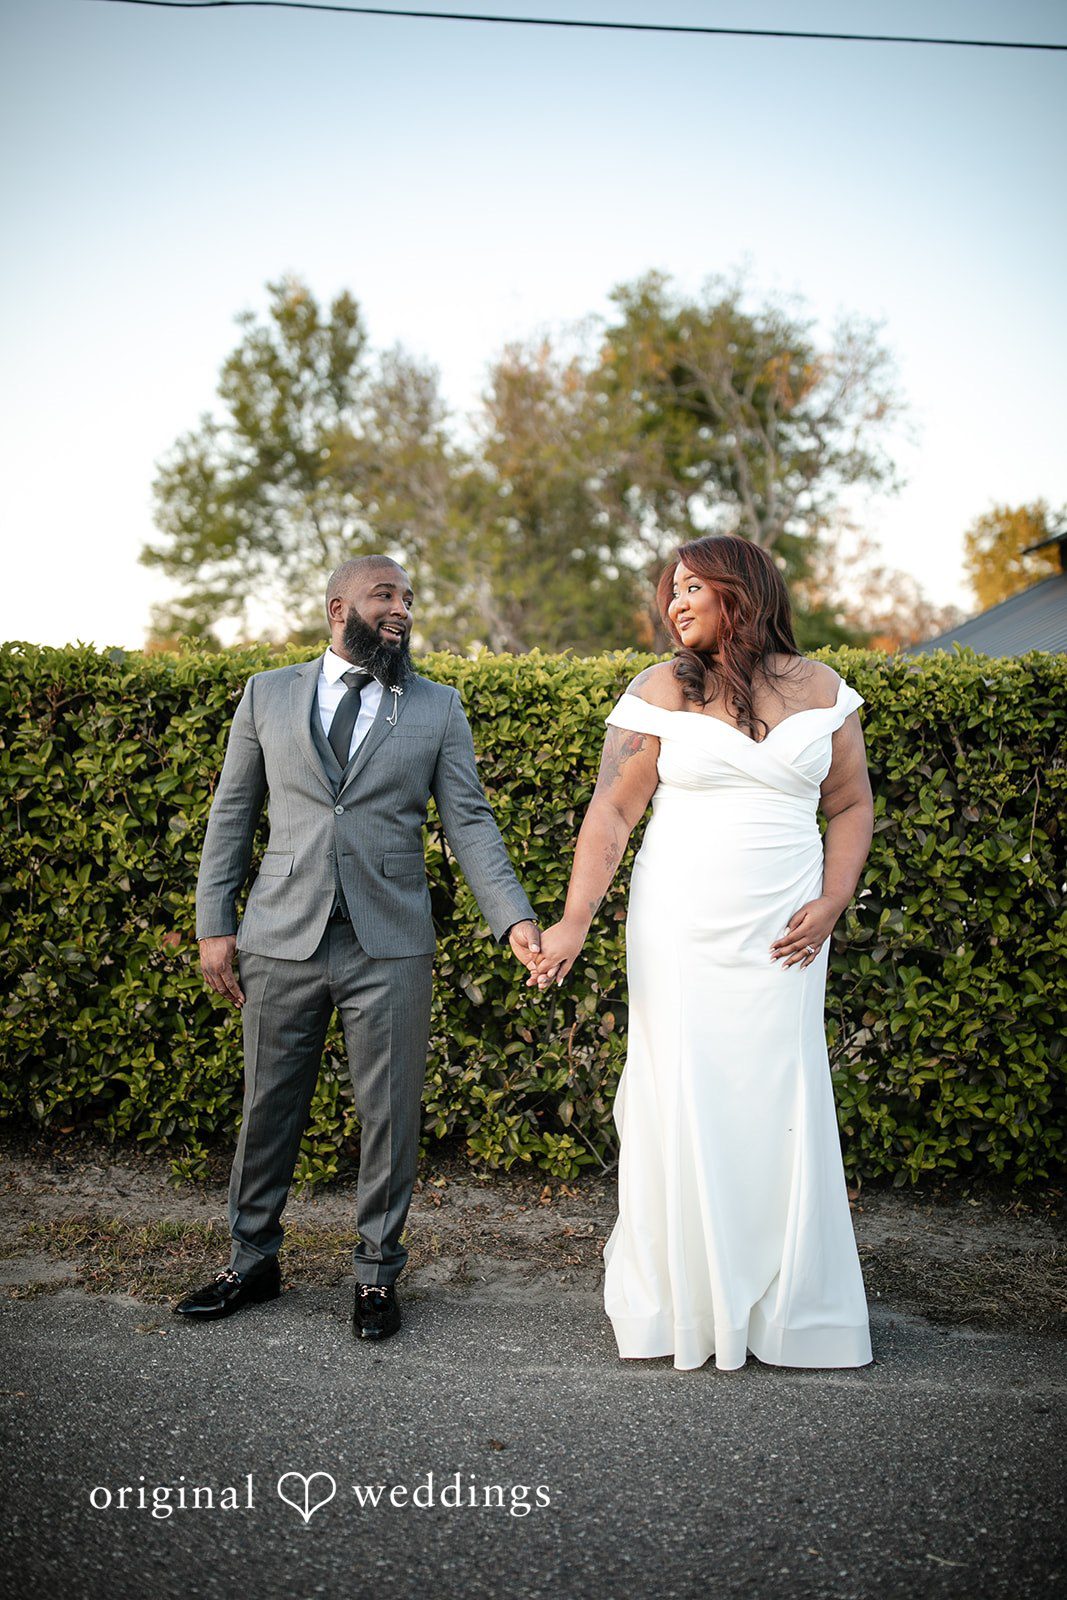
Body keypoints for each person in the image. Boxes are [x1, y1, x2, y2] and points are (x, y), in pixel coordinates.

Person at [529, 534, 874, 1371]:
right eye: (669, 590)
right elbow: (609, 816)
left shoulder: (824, 690)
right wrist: (574, 920)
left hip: (785, 936)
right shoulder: (659, 690)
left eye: (691, 587)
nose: (673, 603)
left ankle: (789, 1305)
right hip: (679, 925)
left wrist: (832, 901)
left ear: (741, 592)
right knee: (680, 1090)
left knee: (777, 1094)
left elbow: (850, 803)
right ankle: (685, 1302)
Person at [175, 556, 541, 1340]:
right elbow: (231, 813)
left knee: (388, 1114)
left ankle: (376, 1276)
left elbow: (468, 822)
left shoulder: (437, 707)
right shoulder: (266, 694)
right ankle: (251, 1261)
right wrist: (215, 923)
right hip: (280, 936)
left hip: (391, 942)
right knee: (267, 1106)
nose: (402, 609)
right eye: (386, 596)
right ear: (339, 606)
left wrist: (511, 918)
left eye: (409, 597)